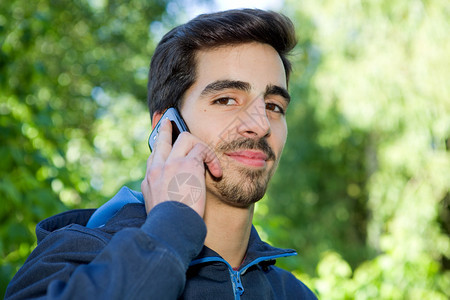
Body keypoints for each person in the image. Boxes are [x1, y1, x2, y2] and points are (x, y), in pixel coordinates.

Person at [5, 9, 317, 299]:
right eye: (226, 100)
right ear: (167, 127)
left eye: (274, 106)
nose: (261, 124)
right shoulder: (71, 258)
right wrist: (170, 232)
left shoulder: (294, 293)